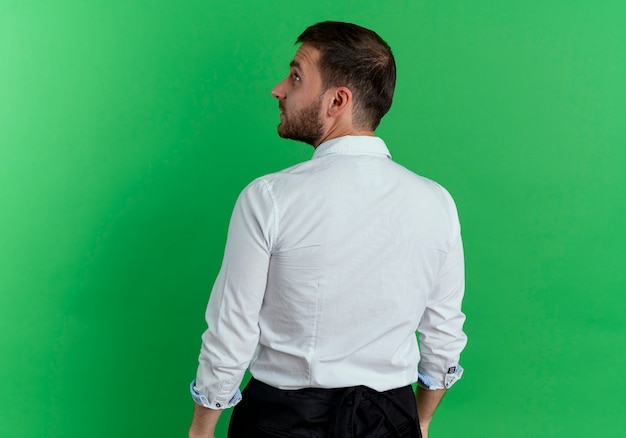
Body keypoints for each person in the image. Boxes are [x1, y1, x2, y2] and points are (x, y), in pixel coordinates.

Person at [189, 21, 467, 438]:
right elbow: (443, 336)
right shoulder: (437, 202)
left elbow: (232, 332)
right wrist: (420, 422)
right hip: (390, 420)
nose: (279, 89)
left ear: (338, 100)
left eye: (296, 76)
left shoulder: (269, 197)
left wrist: (201, 429)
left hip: (283, 423)